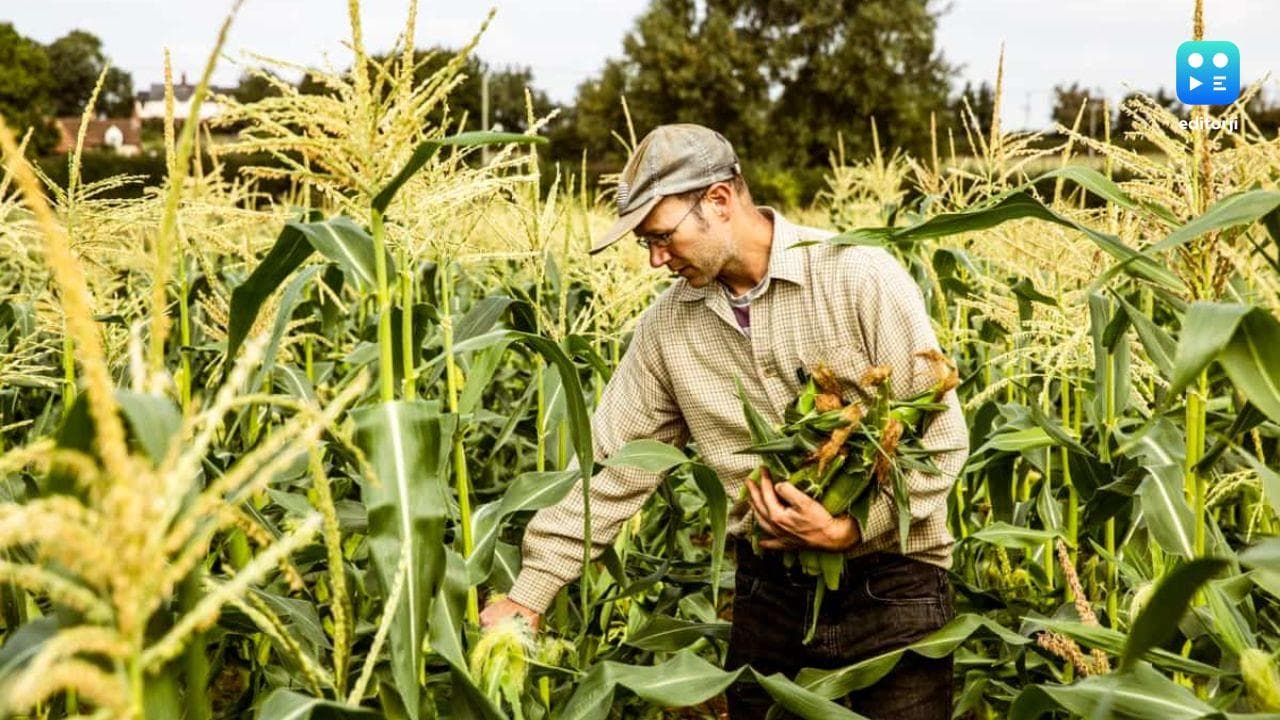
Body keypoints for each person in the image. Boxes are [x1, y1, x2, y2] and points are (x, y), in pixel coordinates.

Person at [479, 123, 970, 718]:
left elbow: (941, 439)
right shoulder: (666, 329)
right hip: (771, 595)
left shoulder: (857, 276)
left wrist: (850, 528)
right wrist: (529, 595)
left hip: (892, 585)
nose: (656, 259)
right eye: (646, 244)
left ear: (717, 200)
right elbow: (614, 468)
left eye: (663, 236)